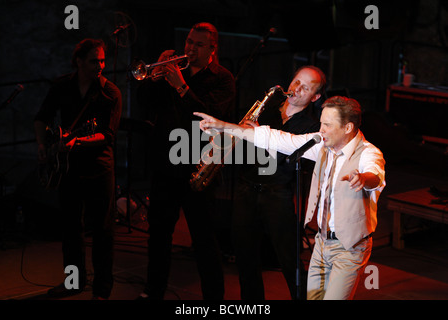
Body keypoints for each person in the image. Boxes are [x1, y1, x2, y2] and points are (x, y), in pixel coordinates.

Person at [194, 95, 386, 300]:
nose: (321, 130)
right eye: (321, 123)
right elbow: (276, 138)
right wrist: (223, 126)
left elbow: (375, 175)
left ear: (347, 128)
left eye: (327, 125)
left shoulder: (368, 153)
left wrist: (363, 178)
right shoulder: (322, 145)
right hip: (322, 243)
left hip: (349, 246)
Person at [136, 22, 236, 300]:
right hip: (165, 164)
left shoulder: (222, 78)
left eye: (198, 44)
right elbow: (145, 104)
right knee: (158, 235)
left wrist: (180, 86)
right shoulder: (172, 72)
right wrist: (155, 77)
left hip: (198, 167)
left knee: (204, 239)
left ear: (213, 49)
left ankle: (214, 299)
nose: (190, 48)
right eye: (189, 42)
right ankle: (152, 291)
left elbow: (209, 117)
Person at [34, 39, 122, 300]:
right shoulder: (62, 86)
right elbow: (41, 117)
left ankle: (102, 291)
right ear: (79, 61)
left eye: (103, 60)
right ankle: (73, 282)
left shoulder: (110, 93)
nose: (101, 66)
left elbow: (107, 135)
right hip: (68, 168)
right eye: (95, 60)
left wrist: (78, 140)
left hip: (99, 168)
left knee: (103, 231)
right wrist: (42, 145)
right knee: (71, 229)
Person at [231, 66, 325, 300]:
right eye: (295, 82)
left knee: (289, 261)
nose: (296, 89)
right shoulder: (265, 110)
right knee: (245, 258)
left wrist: (261, 136)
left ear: (315, 97)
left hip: (278, 195)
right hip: (246, 188)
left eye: (306, 87)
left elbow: (284, 157)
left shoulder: (312, 127)